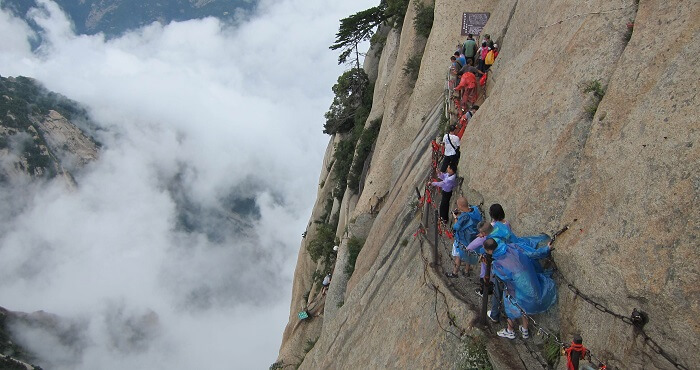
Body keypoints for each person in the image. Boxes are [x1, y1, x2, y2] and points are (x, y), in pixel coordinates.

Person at [482, 238, 557, 340]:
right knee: (525, 305)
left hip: (517, 285)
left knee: (512, 305)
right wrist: (546, 249)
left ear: (490, 251)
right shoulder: (512, 247)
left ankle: (510, 331)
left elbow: (503, 277)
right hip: (530, 279)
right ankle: (525, 330)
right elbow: (531, 253)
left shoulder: (497, 263)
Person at [447, 197, 482, 277]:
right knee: (469, 254)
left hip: (463, 239)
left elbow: (456, 227)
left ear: (459, 206)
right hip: (473, 238)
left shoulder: (464, 217)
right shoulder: (475, 209)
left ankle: (454, 273)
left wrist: (455, 217)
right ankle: (466, 271)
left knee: (458, 256)